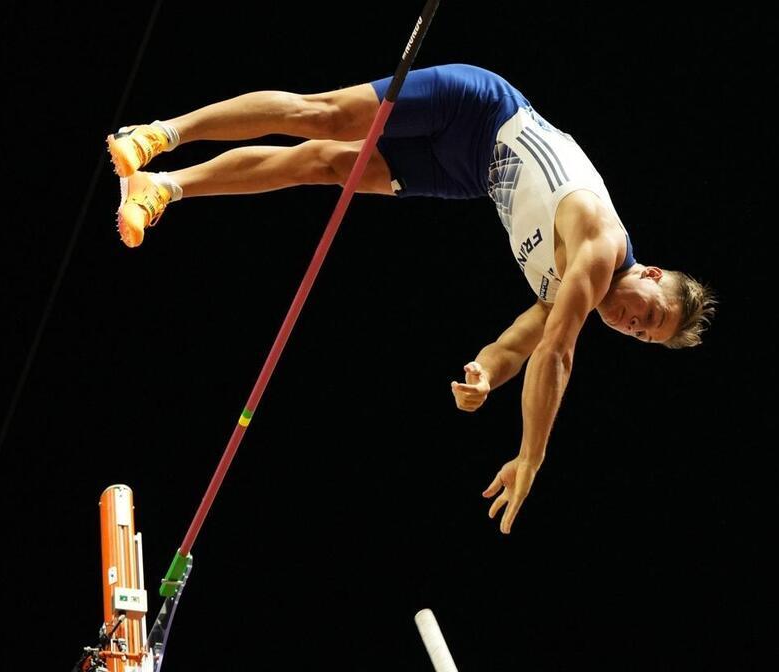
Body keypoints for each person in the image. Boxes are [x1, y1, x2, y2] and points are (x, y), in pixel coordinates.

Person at [106, 63, 716, 534]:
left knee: (324, 166)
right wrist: (531, 457)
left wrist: (483, 374)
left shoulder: (569, 296)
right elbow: (554, 355)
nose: (634, 322)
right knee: (322, 117)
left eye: (641, 334)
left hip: (469, 172)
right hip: (479, 108)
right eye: (651, 313)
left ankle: (164, 188)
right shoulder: (602, 248)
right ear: (652, 273)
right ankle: (162, 133)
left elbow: (517, 345)